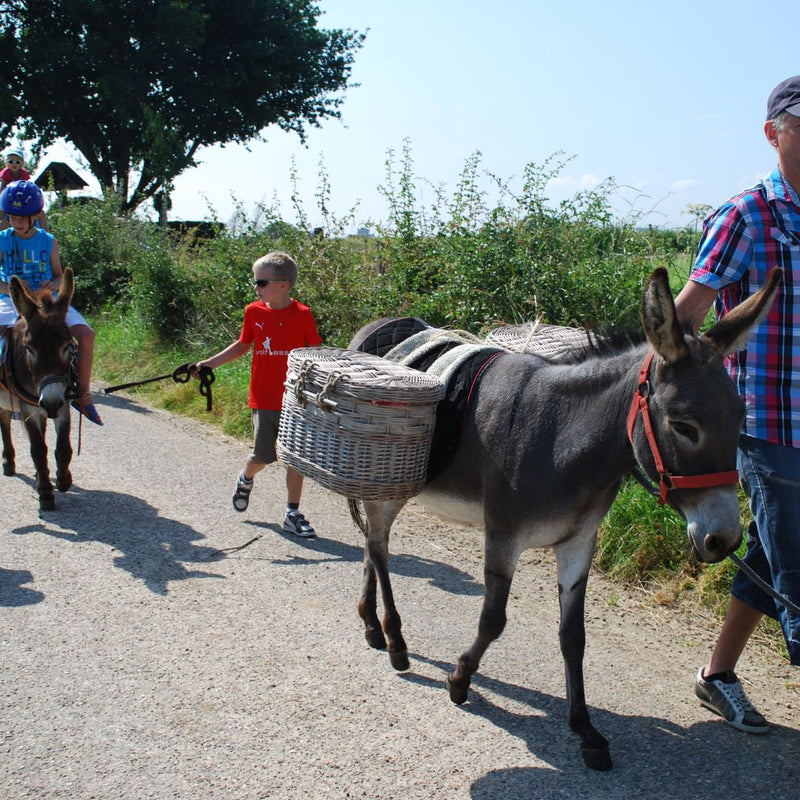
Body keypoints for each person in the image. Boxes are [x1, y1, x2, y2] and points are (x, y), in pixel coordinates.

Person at [674, 75, 800, 735]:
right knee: (796, 573)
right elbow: (684, 321)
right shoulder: (747, 215)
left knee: (777, 557)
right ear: (772, 131)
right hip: (769, 427)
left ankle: (717, 675)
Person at [194, 251, 322, 537]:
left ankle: (292, 512)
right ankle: (246, 477)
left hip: (295, 399)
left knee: (297, 457)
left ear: (283, 285)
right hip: (264, 397)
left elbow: (315, 352)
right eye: (255, 281)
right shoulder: (254, 311)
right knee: (263, 456)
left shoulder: (303, 315)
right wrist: (207, 364)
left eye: (261, 282)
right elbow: (242, 345)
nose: (256, 287)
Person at [0, 179, 102, 425]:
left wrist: (55, 284)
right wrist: (11, 289)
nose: (17, 221)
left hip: (49, 302)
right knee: (2, 334)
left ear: (36, 216)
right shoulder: (1, 239)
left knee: (86, 335)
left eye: (22, 217)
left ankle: (83, 395)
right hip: (10, 298)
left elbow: (58, 275)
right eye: (12, 217)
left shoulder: (48, 241)